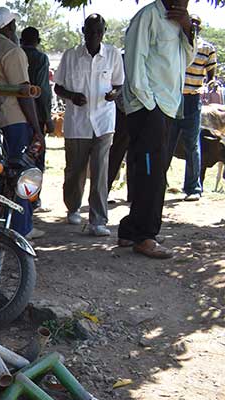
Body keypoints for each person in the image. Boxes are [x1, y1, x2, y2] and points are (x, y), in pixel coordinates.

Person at [118, 0, 196, 259]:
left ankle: (130, 229)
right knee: (152, 174)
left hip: (168, 105)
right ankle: (145, 236)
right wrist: (148, 103)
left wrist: (188, 30)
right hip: (149, 105)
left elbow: (186, 61)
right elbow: (134, 60)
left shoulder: (180, 21)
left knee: (151, 169)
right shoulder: (148, 16)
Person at [0, 7, 47, 239]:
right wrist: (36, 128)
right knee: (21, 173)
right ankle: (22, 227)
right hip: (13, 120)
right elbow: (24, 92)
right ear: (10, 26)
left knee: (0, 173)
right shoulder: (12, 51)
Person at [54, 14, 125, 237]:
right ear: (83, 30)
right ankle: (73, 207)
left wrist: (114, 93)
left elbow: (119, 84)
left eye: (99, 31)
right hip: (78, 122)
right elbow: (58, 88)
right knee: (75, 169)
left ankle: (98, 219)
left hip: (104, 122)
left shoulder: (112, 54)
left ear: (104, 31)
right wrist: (72, 96)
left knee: (100, 171)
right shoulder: (71, 56)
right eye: (90, 31)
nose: (94, 36)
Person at [169, 14, 217, 201]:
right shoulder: (174, 44)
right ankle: (157, 186)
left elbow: (211, 74)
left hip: (192, 98)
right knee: (167, 142)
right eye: (191, 23)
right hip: (172, 98)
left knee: (192, 143)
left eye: (197, 24)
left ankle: (192, 188)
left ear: (200, 28)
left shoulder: (207, 48)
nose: (193, 27)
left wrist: (211, 83)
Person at [20, 26, 54, 170]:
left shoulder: (15, 55)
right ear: (38, 41)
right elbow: (43, 90)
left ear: (21, 41)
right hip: (37, 116)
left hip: (15, 116)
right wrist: (47, 118)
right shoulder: (41, 58)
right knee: (35, 158)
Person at [108, 50, 131, 201]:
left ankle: (134, 194)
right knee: (115, 154)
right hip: (122, 113)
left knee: (136, 155)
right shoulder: (120, 57)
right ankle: (103, 191)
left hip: (139, 111)